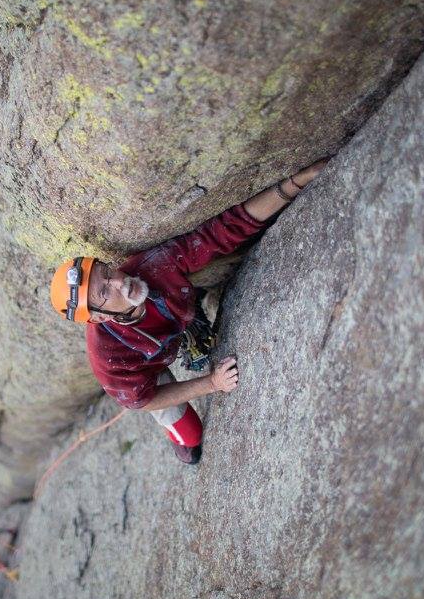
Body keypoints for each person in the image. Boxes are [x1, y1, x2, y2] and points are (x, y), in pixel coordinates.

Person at [49, 159, 327, 464]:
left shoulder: (154, 268)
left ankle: (188, 328)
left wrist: (296, 182)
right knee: (190, 435)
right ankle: (182, 444)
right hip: (146, 372)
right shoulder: (110, 359)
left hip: (176, 323)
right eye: (104, 292)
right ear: (98, 317)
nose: (119, 282)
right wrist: (212, 384)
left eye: (107, 272)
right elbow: (144, 401)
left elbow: (224, 231)